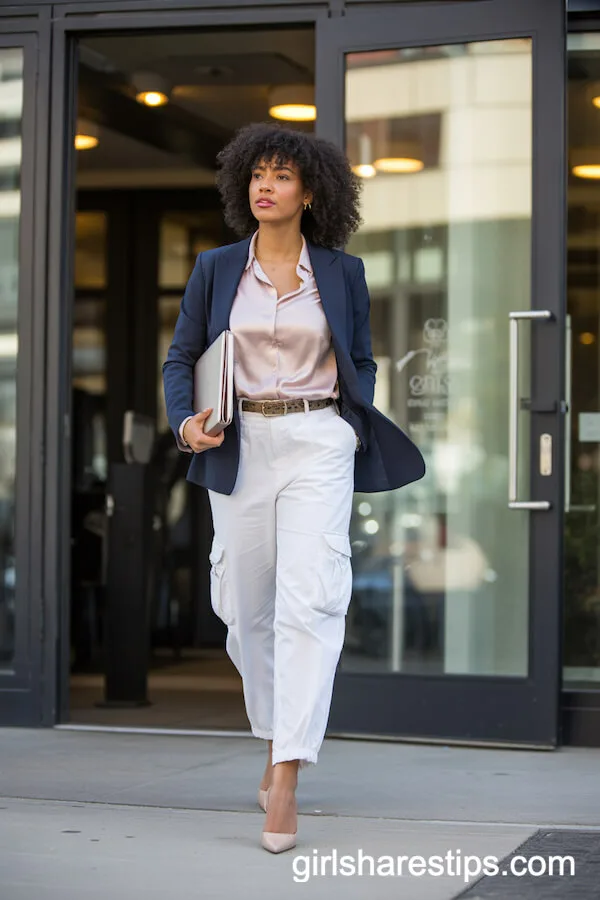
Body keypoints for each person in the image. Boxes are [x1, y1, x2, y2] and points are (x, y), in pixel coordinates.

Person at [162, 122, 425, 853]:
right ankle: (279, 734)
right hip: (240, 445)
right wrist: (187, 425)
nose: (266, 185)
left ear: (310, 193)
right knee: (245, 612)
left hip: (317, 441)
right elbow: (180, 358)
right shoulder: (217, 269)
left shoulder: (341, 274)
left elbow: (361, 361)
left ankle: (286, 772)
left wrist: (345, 425)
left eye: (281, 175)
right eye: (257, 175)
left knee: (310, 599)